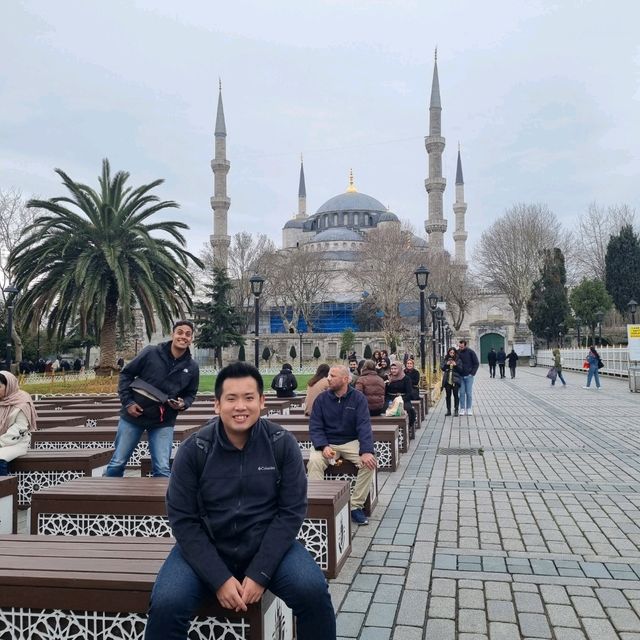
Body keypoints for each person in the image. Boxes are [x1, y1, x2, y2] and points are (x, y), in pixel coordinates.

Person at [144, 362, 336, 640]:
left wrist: (260, 573)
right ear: (217, 404)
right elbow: (183, 520)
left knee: (313, 591)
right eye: (231, 399)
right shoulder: (194, 449)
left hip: (267, 546)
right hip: (207, 547)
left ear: (261, 401)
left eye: (248, 398)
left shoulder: (282, 444)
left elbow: (291, 513)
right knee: (166, 604)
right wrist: (218, 579)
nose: (240, 407)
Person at [104, 320, 200, 477]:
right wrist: (128, 403)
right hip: (134, 415)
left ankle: (160, 502)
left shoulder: (192, 367)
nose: (183, 337)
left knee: (162, 469)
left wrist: (183, 404)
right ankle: (106, 498)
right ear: (173, 334)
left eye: (188, 334)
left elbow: (191, 393)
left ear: (192, 339)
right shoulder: (151, 352)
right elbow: (126, 374)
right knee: (117, 463)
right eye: (180, 332)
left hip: (163, 420)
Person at [308, 365, 377, 526]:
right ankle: (319, 504)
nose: (328, 378)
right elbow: (315, 426)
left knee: (369, 463)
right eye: (329, 375)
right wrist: (323, 446)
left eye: (333, 376)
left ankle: (355, 506)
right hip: (327, 442)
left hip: (350, 442)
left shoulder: (358, 398)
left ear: (345, 379)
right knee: (315, 462)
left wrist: (366, 451)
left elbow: (364, 426)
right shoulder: (322, 399)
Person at [0, 371, 38, 475]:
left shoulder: (21, 402)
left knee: (0, 458)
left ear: (9, 386)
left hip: (16, 443)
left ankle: (4, 489)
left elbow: (20, 428)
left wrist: (1, 442)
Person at [385, 361, 416, 431]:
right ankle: (389, 430)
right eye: (392, 369)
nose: (393, 370)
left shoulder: (406, 379)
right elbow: (385, 392)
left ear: (399, 369)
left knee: (409, 409)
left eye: (395, 369)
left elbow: (409, 393)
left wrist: (401, 400)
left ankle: (408, 428)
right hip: (390, 399)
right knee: (385, 409)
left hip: (403, 398)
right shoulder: (388, 378)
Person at [457, 339, 479, 416]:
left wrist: (472, 373)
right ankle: (462, 408)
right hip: (460, 376)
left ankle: (469, 408)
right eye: (459, 346)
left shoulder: (471, 352)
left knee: (469, 393)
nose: (460, 348)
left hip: (469, 376)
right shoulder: (457, 352)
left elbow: (476, 363)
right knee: (462, 393)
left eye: (461, 346)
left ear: (465, 345)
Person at [441, 348, 462, 417]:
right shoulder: (445, 359)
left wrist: (455, 365)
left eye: (453, 353)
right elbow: (442, 368)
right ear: (448, 353)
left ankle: (456, 410)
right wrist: (447, 364)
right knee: (448, 396)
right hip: (447, 380)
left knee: (456, 395)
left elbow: (460, 370)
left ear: (455, 353)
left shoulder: (458, 360)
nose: (452, 354)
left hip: (455, 380)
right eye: (450, 353)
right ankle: (448, 410)